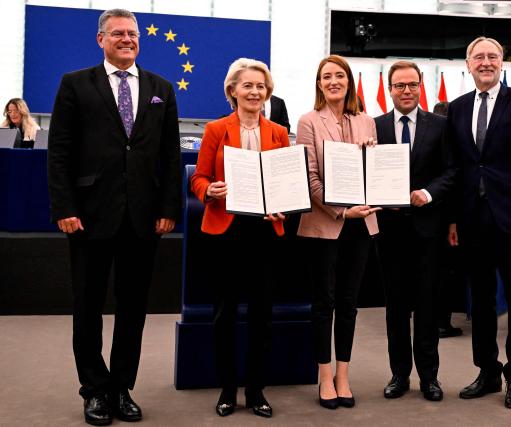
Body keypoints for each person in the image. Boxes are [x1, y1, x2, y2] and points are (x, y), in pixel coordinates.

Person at [47, 9, 181, 425]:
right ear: (100, 39)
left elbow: (170, 155)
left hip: (143, 218)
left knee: (133, 307)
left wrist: (168, 208)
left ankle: (121, 387)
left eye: (133, 33)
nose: (127, 39)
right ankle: (94, 390)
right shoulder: (75, 84)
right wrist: (65, 207)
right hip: (88, 216)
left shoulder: (161, 88)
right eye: (118, 33)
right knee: (88, 305)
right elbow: (60, 152)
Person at [447, 36, 511, 409]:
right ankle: (488, 371)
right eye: (479, 57)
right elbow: (457, 169)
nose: (486, 62)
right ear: (468, 63)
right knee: (481, 304)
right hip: (473, 222)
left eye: (492, 56)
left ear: (502, 62)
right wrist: (454, 220)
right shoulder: (456, 109)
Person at [190, 58, 289, 419]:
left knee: (263, 315)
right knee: (225, 315)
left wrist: (283, 206)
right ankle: (228, 389)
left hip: (265, 231)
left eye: (261, 86)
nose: (255, 92)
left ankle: (257, 390)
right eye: (248, 85)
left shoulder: (278, 132)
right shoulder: (216, 129)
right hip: (226, 231)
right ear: (233, 90)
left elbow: (284, 185)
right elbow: (198, 178)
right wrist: (210, 190)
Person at [296, 54, 378, 410]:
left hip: (362, 225)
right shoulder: (308, 122)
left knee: (348, 304)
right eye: (326, 76)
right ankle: (324, 374)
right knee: (323, 302)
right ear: (319, 83)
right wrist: (341, 210)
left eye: (339, 76)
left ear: (348, 81)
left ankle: (344, 374)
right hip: (323, 224)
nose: (333, 81)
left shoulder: (367, 121)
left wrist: (372, 165)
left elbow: (373, 174)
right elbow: (308, 176)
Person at [374, 61, 456, 401]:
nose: (405, 91)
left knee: (427, 305)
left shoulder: (440, 126)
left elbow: (452, 172)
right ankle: (399, 375)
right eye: (399, 85)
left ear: (421, 86)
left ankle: (429, 377)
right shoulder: (374, 127)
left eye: (411, 85)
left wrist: (428, 192)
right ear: (390, 89)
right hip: (389, 230)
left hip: (428, 230)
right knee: (395, 307)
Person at [432, 101, 465, 339]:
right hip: (447, 219)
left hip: (435, 217)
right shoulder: (452, 145)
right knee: (445, 273)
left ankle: (438, 320)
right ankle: (442, 322)